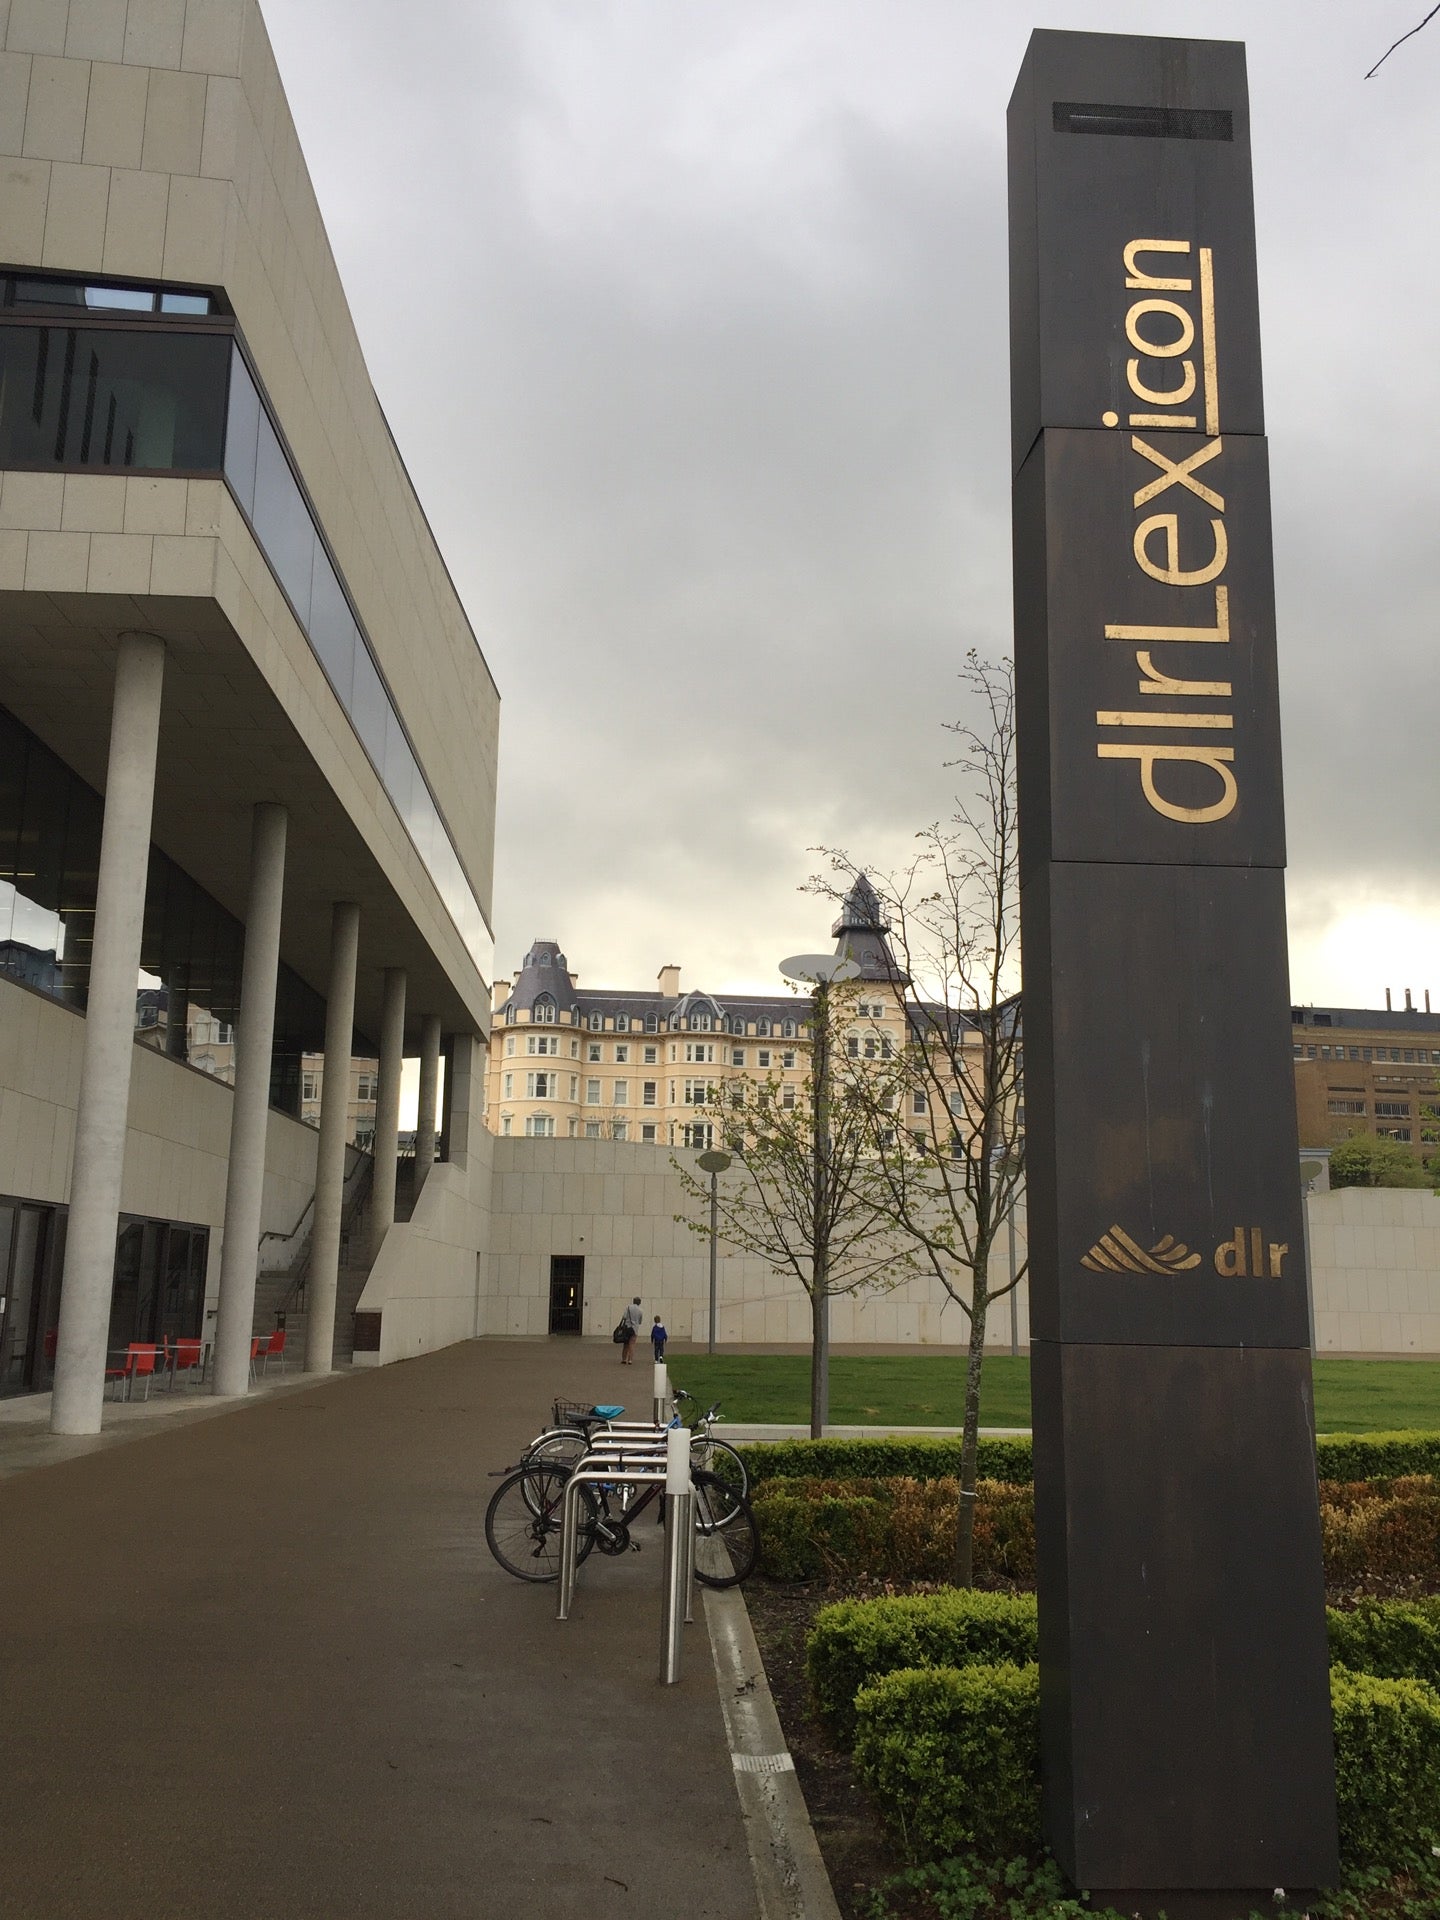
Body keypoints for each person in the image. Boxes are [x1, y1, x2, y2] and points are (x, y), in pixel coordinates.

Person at [621, 1296, 644, 1365]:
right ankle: (630, 1360)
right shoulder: (640, 1310)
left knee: (626, 1344)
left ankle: (624, 1359)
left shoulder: (628, 1308)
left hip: (627, 1328)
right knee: (632, 1344)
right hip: (634, 1329)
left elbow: (624, 1317)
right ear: (639, 1303)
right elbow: (640, 1321)